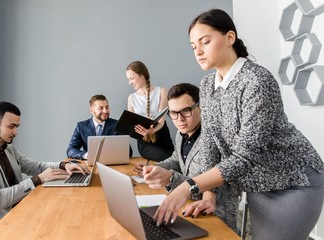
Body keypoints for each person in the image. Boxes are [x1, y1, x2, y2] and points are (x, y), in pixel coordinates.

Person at [149, 9, 324, 240]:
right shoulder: (208, 84)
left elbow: (245, 156)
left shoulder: (257, 80)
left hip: (294, 182)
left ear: (229, 38)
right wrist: (208, 195)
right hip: (259, 186)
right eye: (193, 46)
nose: (198, 51)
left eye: (205, 41)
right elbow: (210, 142)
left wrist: (188, 186)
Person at [0, 101, 89, 239]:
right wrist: (37, 180)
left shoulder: (8, 148)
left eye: (17, 126)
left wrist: (63, 165)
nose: (16, 132)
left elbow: (35, 166)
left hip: (16, 215)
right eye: (11, 126)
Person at [134, 83, 239, 231]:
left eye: (186, 111)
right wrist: (156, 168)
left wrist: (170, 178)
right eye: (174, 113)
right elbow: (176, 160)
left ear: (200, 106)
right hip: (186, 210)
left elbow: (215, 186)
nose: (180, 119)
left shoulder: (215, 137)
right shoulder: (181, 134)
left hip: (216, 218)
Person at [126, 60, 174, 161]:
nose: (129, 83)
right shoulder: (131, 98)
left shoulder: (162, 91)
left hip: (162, 136)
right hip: (144, 142)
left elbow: (161, 120)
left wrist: (152, 130)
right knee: (170, 159)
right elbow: (132, 126)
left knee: (174, 159)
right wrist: (143, 132)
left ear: (142, 75)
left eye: (132, 78)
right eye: (128, 79)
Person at [67, 94, 132, 159]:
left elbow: (129, 152)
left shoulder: (118, 124)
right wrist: (86, 155)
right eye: (101, 108)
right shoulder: (81, 126)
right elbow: (70, 150)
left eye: (107, 107)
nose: (105, 111)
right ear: (92, 111)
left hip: (113, 164)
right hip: (90, 166)